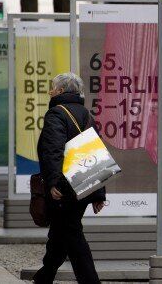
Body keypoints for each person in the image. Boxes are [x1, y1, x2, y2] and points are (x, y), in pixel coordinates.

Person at [33, 72, 106, 284]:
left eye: (53, 88)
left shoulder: (56, 113)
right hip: (83, 183)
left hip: (65, 186)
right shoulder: (86, 114)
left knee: (72, 234)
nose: (50, 91)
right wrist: (97, 192)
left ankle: (90, 281)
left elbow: (53, 150)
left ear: (62, 91)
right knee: (60, 232)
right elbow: (97, 154)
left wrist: (54, 182)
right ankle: (45, 276)